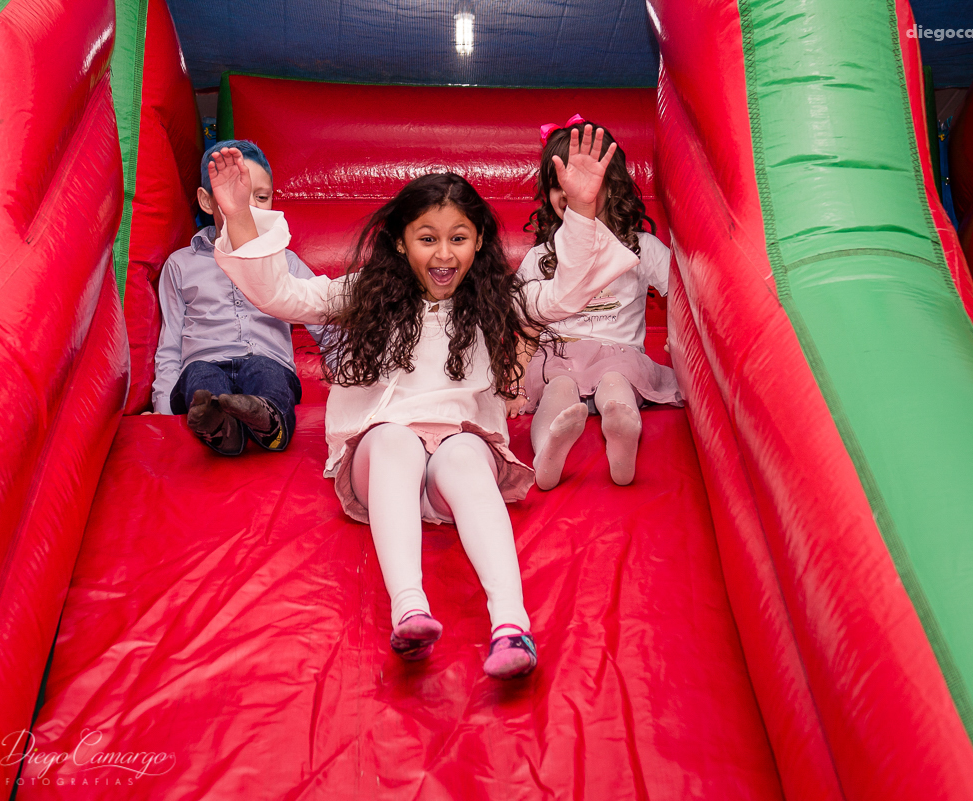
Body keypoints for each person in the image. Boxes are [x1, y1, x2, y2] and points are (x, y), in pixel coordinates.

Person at [207, 127, 637, 679]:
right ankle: (409, 607)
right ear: (401, 243)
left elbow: (564, 294)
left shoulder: (494, 302)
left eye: (458, 237)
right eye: (427, 238)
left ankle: (511, 624)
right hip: (384, 456)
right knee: (393, 438)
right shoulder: (366, 294)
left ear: (480, 242)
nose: (443, 252)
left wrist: (581, 206)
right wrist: (241, 216)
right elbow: (284, 296)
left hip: (455, 460)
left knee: (460, 451)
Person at [515, 116, 682, 490]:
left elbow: (682, 292)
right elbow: (523, 317)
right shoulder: (543, 255)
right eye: (556, 185)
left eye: (577, 182)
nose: (567, 194)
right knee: (557, 391)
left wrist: (681, 336)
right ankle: (547, 451)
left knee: (616, 382)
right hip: (559, 354)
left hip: (619, 354)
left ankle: (622, 433)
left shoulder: (639, 247)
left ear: (612, 185)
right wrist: (514, 374)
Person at [151, 139, 330, 455]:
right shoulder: (181, 264)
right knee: (199, 375)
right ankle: (220, 427)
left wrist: (364, 385)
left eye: (261, 197)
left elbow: (327, 324)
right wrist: (164, 412)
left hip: (266, 362)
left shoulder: (285, 262)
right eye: (233, 194)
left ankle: (267, 420)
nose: (249, 208)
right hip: (204, 365)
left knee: (269, 372)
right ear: (207, 202)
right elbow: (170, 347)